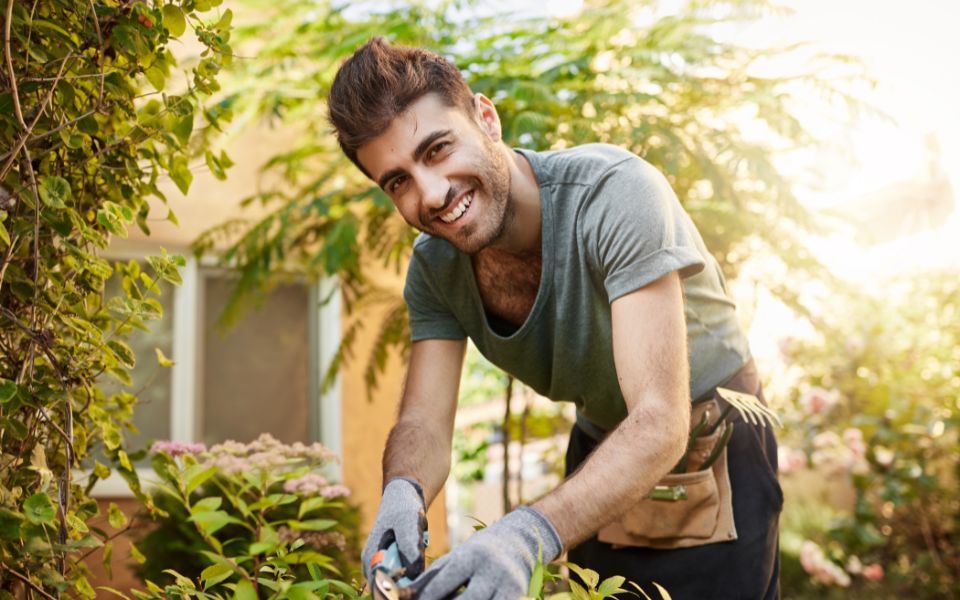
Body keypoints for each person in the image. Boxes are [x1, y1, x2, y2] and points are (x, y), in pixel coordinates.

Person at [328, 37, 782, 600]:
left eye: (438, 149)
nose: (434, 194)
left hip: (711, 434)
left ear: (486, 119)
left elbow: (661, 421)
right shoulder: (434, 270)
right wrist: (404, 490)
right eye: (398, 181)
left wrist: (525, 534)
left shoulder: (614, 194)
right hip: (601, 439)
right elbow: (423, 423)